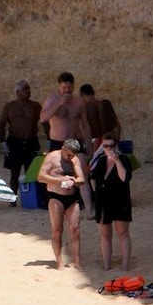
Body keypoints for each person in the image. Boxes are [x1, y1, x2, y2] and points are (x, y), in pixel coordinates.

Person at [41, 73, 93, 215]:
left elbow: (85, 125)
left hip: (75, 141)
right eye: (64, 87)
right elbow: (43, 118)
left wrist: (90, 145)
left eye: (69, 87)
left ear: (73, 86)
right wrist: (59, 103)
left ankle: (89, 209)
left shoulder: (78, 102)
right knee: (57, 174)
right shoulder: (52, 99)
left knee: (81, 173)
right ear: (59, 86)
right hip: (58, 142)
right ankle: (61, 204)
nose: (67, 90)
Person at [37, 139, 86, 270]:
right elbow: (41, 177)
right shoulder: (52, 157)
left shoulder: (74, 160)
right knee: (57, 230)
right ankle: (59, 262)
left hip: (72, 197)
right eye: (68, 155)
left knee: (75, 229)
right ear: (63, 149)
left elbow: (82, 179)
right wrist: (60, 180)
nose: (70, 158)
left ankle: (77, 261)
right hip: (56, 196)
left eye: (73, 155)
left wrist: (73, 181)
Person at [90, 132, 133, 271]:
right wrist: (96, 193)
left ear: (116, 145)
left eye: (111, 145)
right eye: (105, 146)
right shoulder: (101, 161)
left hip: (120, 199)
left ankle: (125, 265)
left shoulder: (124, 159)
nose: (109, 148)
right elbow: (93, 178)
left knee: (123, 233)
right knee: (105, 235)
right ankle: (107, 265)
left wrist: (117, 161)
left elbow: (124, 178)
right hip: (103, 200)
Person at [0, 80, 43, 195]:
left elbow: (45, 123)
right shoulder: (9, 107)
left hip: (31, 141)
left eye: (29, 88)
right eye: (25, 89)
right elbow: (2, 125)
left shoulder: (35, 106)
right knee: (14, 171)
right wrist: (3, 143)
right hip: (15, 141)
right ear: (18, 91)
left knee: (32, 170)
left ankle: (32, 196)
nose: (28, 91)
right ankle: (13, 196)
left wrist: (49, 140)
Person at [80, 84, 122, 153]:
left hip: (94, 145)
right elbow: (117, 127)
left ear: (83, 96)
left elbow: (83, 130)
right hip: (109, 142)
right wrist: (114, 143)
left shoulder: (85, 109)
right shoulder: (105, 104)